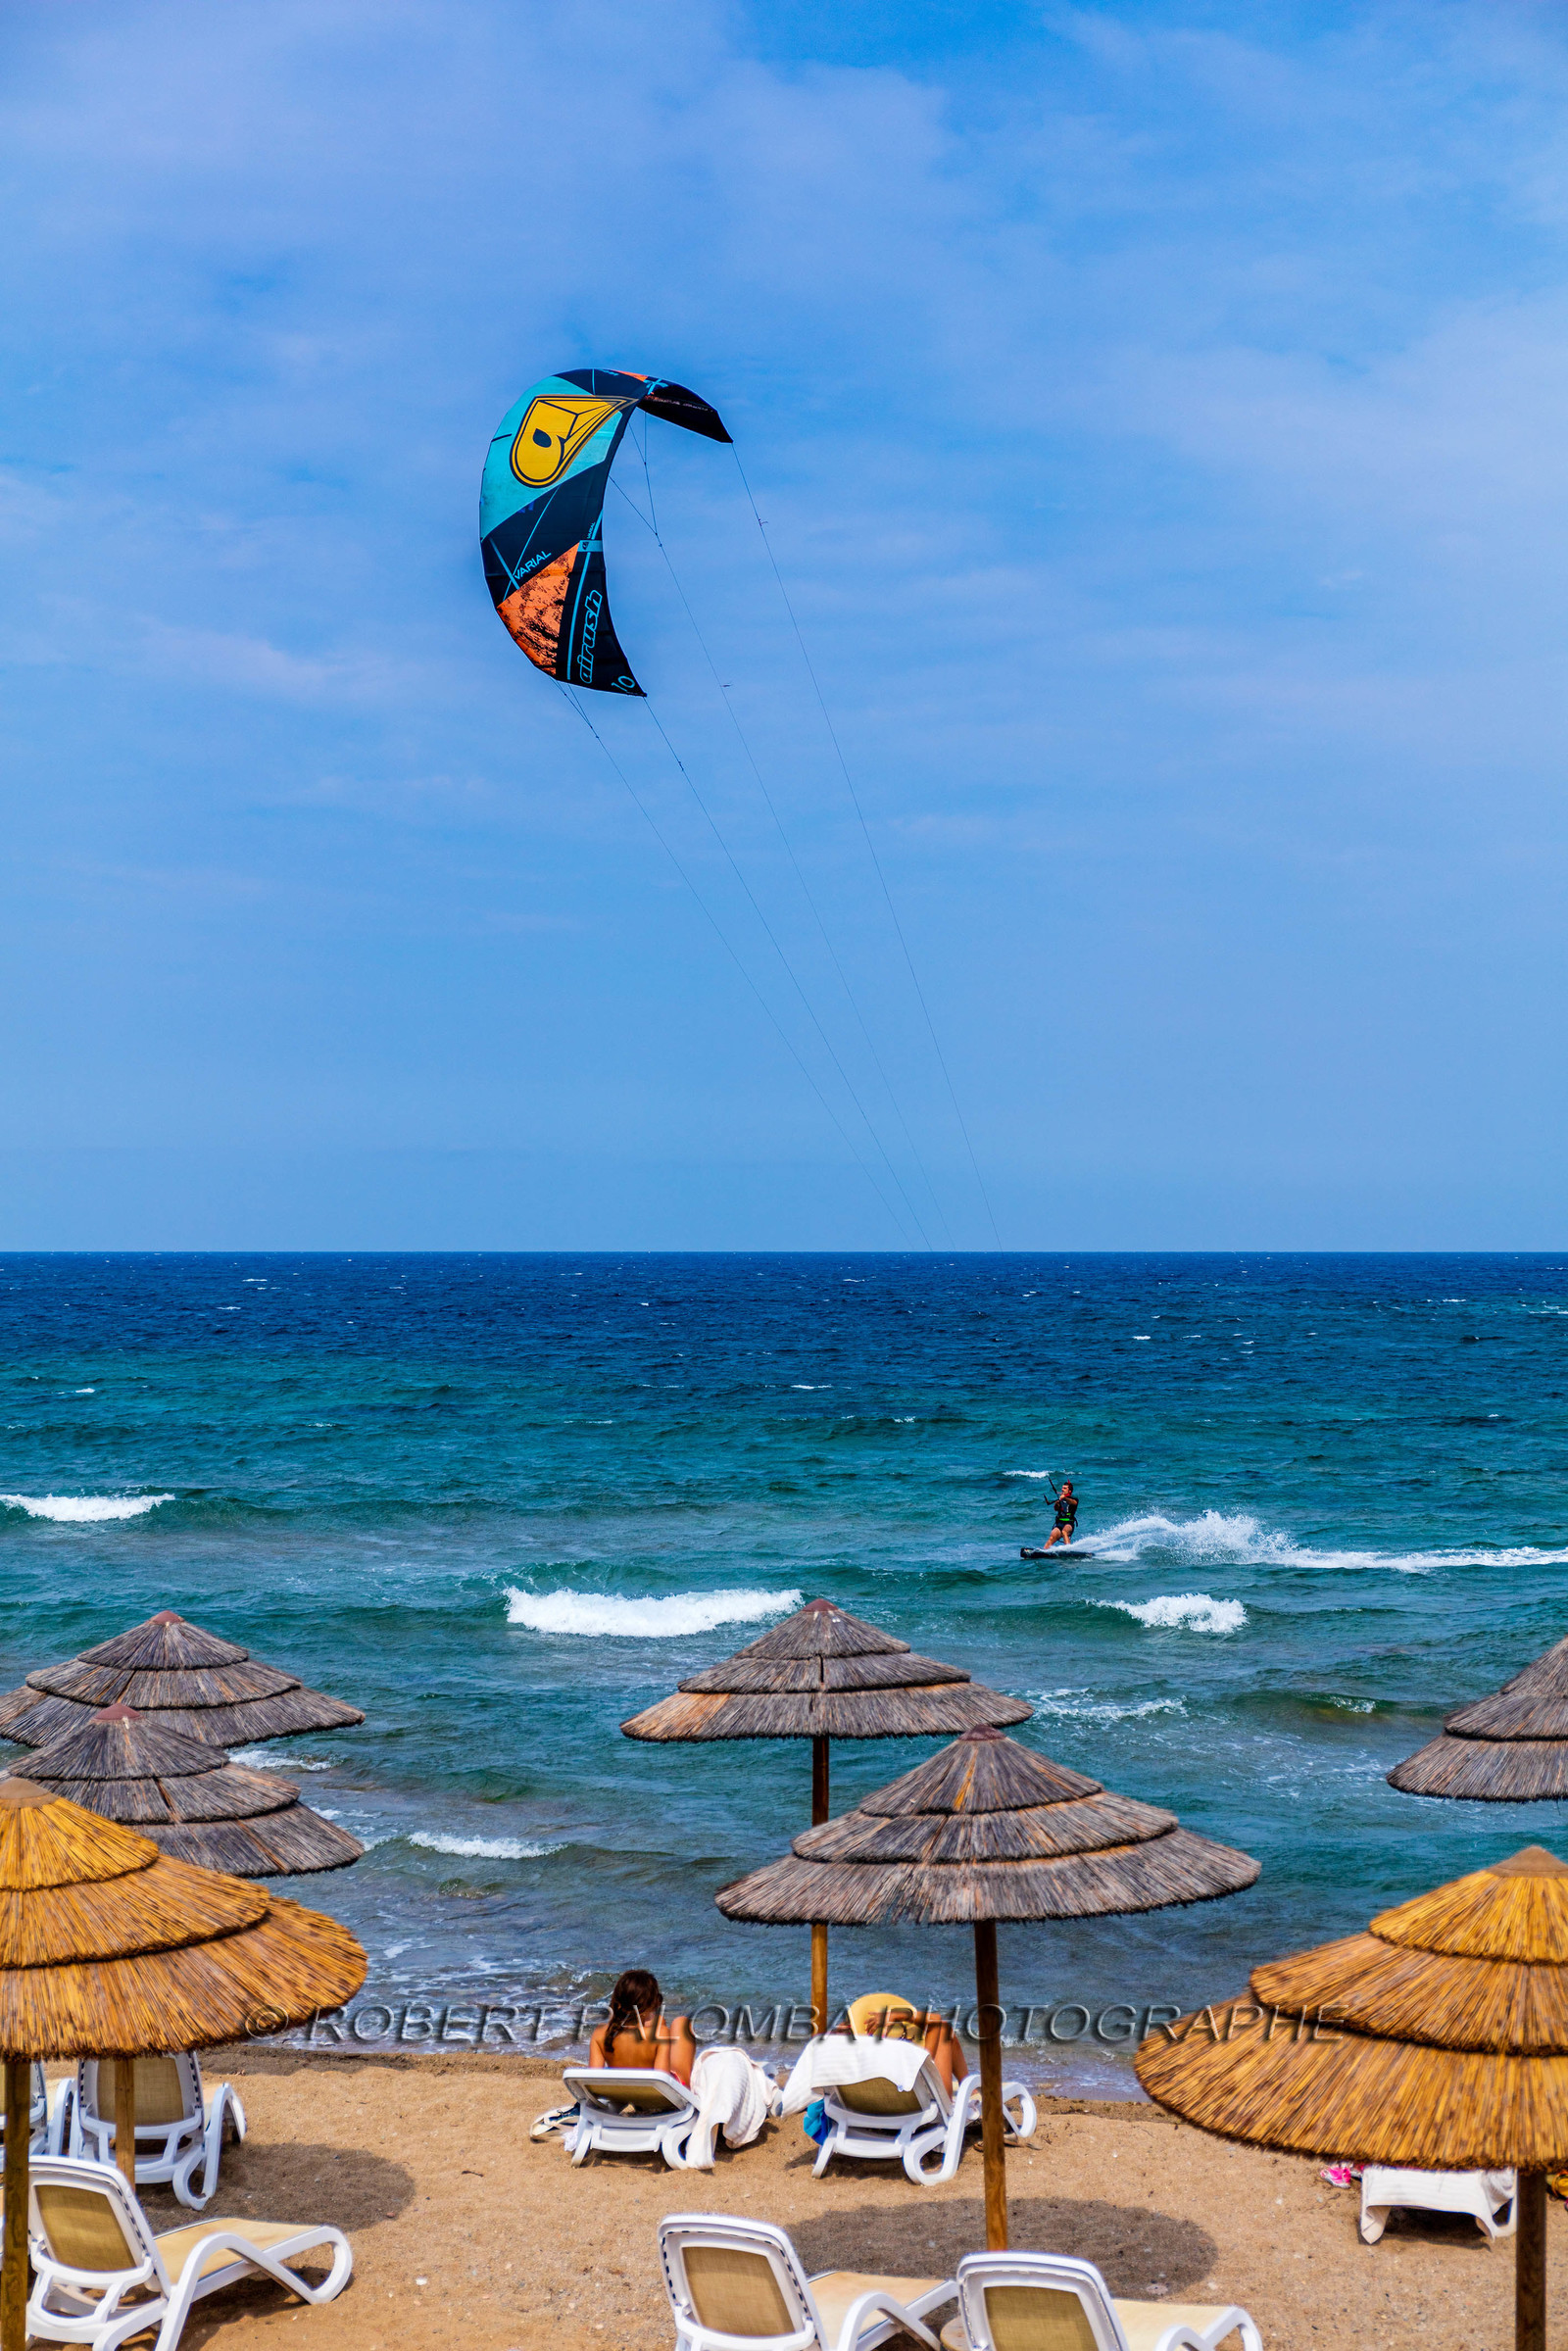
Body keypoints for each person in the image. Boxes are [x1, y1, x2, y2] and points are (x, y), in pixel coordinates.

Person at [587, 1968, 697, 2087]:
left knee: (659, 2020)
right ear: (652, 2004)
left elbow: (593, 2082)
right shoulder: (661, 2033)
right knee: (682, 2023)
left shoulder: (600, 2033)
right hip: (655, 2092)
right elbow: (662, 2084)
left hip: (621, 2091)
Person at [1042, 1478, 1078, 1549]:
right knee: (1052, 1537)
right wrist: (1057, 1504)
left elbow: (1074, 1503)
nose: (1062, 1489)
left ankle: (1068, 1550)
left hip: (1069, 1523)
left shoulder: (1074, 1499)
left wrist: (1065, 1498)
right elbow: (1056, 1509)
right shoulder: (1060, 1500)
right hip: (1059, 1523)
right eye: (1062, 1488)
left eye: (1065, 1488)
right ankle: (1043, 1551)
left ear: (1069, 1491)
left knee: (1064, 1532)